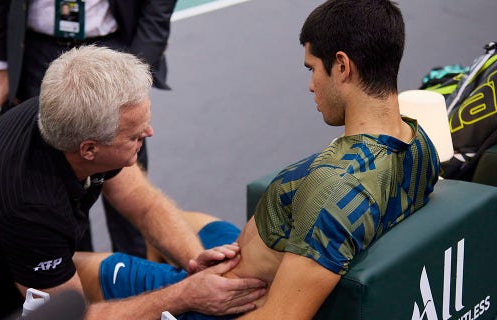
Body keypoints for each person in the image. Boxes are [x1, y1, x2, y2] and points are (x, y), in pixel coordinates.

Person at [71, 0, 441, 319]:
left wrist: (187, 295)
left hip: (217, 302)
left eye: (312, 68)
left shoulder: (334, 193)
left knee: (79, 270)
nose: (311, 84)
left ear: (342, 66)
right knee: (184, 220)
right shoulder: (419, 144)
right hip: (254, 254)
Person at [0, 46, 266, 319]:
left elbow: (140, 201)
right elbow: (73, 315)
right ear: (89, 149)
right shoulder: (29, 206)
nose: (150, 134)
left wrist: (193, 261)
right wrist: (187, 295)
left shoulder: (65, 113)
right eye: (136, 135)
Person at [0, 0, 177, 257]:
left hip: (112, 52)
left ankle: (136, 278)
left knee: (126, 173)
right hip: (38, 55)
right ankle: (73, 275)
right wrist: (2, 67)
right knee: (55, 184)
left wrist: (139, 64)